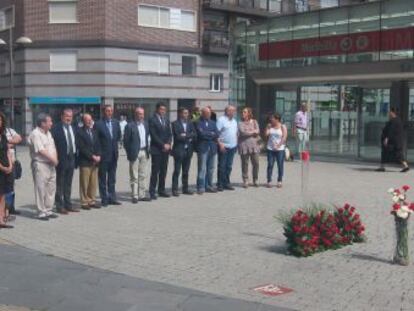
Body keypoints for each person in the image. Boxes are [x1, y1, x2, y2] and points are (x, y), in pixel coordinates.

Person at [28, 113, 59, 220]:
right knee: (41, 188)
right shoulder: (35, 134)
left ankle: (48, 209)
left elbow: (53, 147)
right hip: (40, 164)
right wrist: (53, 159)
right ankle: (41, 211)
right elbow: (41, 150)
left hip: (51, 164)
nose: (51, 123)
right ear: (43, 123)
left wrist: (55, 160)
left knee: (51, 188)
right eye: (49, 121)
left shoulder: (48, 133)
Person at [51, 108, 79, 214]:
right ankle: (59, 205)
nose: (69, 118)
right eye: (67, 116)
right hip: (61, 159)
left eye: (71, 116)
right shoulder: (55, 129)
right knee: (60, 183)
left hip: (71, 158)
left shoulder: (74, 128)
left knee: (68, 183)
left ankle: (68, 204)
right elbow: (52, 146)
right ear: (62, 116)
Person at [95, 105, 122, 207]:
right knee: (102, 178)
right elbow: (96, 140)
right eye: (107, 111)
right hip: (103, 156)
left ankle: (112, 197)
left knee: (112, 178)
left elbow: (118, 136)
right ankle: (104, 198)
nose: (109, 113)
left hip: (114, 155)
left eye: (111, 111)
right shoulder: (98, 124)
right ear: (103, 112)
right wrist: (98, 154)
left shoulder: (116, 123)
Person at [124, 107, 151, 203]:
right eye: (139, 114)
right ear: (135, 114)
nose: (141, 116)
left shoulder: (146, 125)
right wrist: (129, 153)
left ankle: (142, 195)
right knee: (134, 176)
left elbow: (148, 137)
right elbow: (126, 142)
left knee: (143, 175)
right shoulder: (129, 126)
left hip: (144, 151)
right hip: (134, 153)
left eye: (142, 114)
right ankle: (134, 195)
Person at [76, 113, 101, 210]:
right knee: (84, 183)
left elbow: (98, 144)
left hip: (95, 162)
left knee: (93, 183)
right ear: (83, 121)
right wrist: (92, 156)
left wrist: (99, 155)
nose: (89, 121)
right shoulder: (79, 132)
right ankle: (84, 202)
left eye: (90, 119)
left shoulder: (94, 131)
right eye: (87, 120)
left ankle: (92, 200)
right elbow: (81, 147)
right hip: (85, 161)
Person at [149, 102, 172, 200]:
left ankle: (161, 190)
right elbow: (153, 135)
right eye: (161, 109)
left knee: (164, 170)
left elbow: (169, 134)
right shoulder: (152, 120)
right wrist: (163, 145)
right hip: (157, 149)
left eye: (164, 110)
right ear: (157, 109)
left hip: (165, 150)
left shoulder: (166, 120)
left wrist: (168, 144)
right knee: (155, 171)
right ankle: (152, 191)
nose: (163, 111)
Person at [171, 107, 197, 197]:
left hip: (188, 150)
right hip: (179, 150)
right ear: (180, 114)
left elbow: (194, 134)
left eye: (187, 113)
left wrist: (185, 135)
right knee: (177, 171)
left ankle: (185, 188)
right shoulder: (175, 123)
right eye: (185, 113)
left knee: (186, 171)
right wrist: (188, 136)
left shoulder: (190, 123)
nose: (187, 115)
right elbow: (178, 137)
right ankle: (174, 189)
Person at [377, 108, 410, 173]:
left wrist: (387, 138)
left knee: (397, 154)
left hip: (393, 142)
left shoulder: (394, 121)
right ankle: (382, 167)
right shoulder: (397, 120)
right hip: (395, 142)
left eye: (389, 112)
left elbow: (391, 131)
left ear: (393, 113)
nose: (388, 113)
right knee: (386, 153)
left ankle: (406, 166)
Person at [196, 107, 219, 194]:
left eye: (209, 113)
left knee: (211, 168)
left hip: (212, 148)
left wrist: (208, 133)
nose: (209, 114)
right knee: (202, 168)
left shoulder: (213, 122)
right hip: (203, 148)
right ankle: (201, 186)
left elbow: (217, 134)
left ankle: (209, 185)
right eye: (207, 113)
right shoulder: (198, 122)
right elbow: (201, 134)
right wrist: (211, 133)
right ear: (203, 113)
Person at [216, 105, 238, 191]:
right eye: (232, 111)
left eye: (234, 111)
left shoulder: (234, 121)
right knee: (222, 166)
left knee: (229, 166)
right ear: (227, 111)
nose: (233, 112)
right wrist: (220, 144)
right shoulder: (221, 120)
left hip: (232, 146)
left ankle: (226, 183)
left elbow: (235, 133)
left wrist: (236, 144)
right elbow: (216, 133)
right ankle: (220, 184)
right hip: (223, 146)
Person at [238, 107, 260, 188]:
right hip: (244, 145)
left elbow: (258, 131)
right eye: (242, 112)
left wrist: (251, 132)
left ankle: (255, 179)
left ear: (249, 113)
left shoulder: (254, 121)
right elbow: (243, 133)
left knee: (256, 163)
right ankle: (245, 180)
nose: (243, 113)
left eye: (244, 112)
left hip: (255, 146)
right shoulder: (240, 123)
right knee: (245, 164)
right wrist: (252, 132)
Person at [265, 113, 287, 188]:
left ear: (277, 119)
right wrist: (267, 128)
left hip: (280, 149)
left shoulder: (282, 126)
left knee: (280, 165)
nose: (271, 119)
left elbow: (284, 137)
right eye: (271, 118)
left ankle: (279, 181)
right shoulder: (270, 126)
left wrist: (279, 145)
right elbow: (266, 134)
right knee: (270, 164)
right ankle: (269, 181)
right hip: (270, 148)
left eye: (272, 118)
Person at [0, 112, 14, 228]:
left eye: (0, 120)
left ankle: (1, 220)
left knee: (3, 195)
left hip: (6, 168)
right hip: (0, 168)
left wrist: (9, 165)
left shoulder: (3, 136)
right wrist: (2, 167)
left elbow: (7, 152)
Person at [5, 125, 22, 215]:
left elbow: (19, 138)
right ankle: (4, 210)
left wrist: (7, 142)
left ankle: (11, 207)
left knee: (11, 187)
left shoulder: (9, 130)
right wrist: (11, 142)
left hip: (12, 162)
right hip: (3, 163)